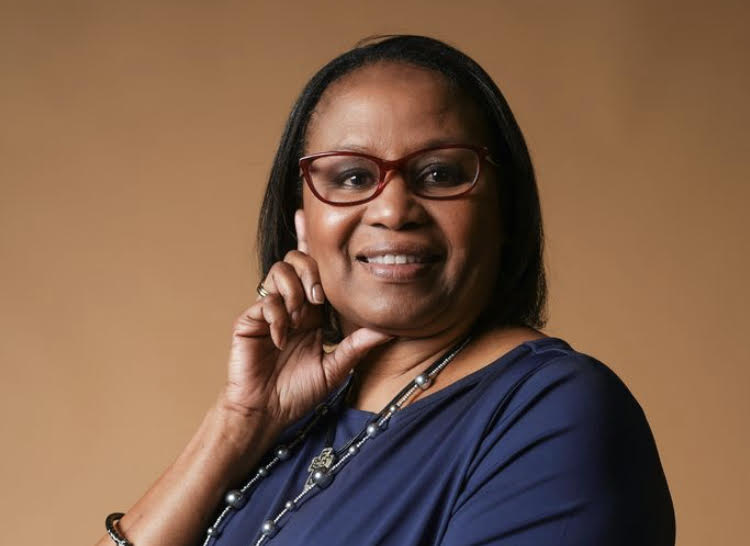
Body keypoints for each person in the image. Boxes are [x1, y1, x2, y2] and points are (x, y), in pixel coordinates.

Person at [97, 35, 675, 546]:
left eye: (440, 174)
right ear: (303, 225)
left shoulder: (555, 412)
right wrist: (238, 421)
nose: (394, 210)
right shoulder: (284, 422)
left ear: (504, 213)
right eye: (352, 177)